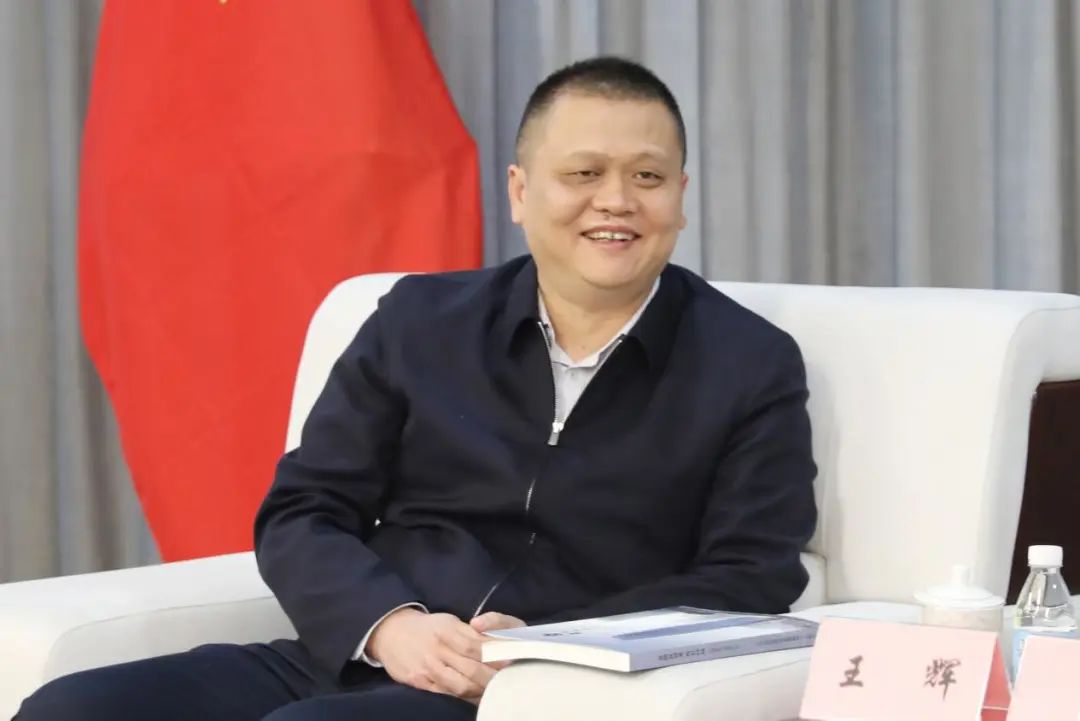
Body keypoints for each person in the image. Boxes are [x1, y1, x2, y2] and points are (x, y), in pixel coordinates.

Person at [15, 55, 816, 721]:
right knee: (71, 709)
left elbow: (754, 574)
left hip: (547, 689)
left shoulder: (749, 361)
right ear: (520, 191)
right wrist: (390, 625)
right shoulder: (418, 321)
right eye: (583, 172)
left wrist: (549, 642)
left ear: (681, 196)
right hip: (365, 651)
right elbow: (303, 510)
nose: (616, 200)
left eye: (648, 175)